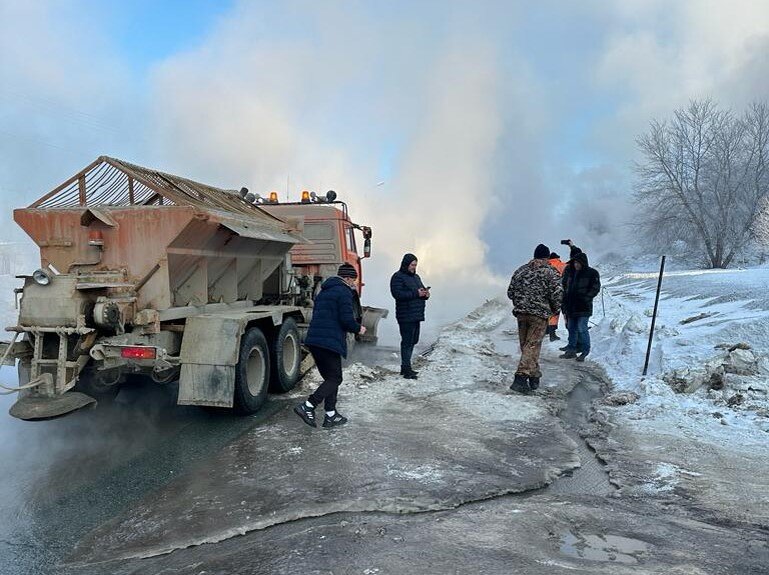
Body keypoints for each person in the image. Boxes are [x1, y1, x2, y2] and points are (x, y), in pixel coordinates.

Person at [294, 263, 366, 428]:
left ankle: (331, 414)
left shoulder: (323, 291)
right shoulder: (344, 292)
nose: (354, 284)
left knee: (330, 378)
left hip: (315, 341)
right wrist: (358, 328)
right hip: (329, 342)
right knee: (335, 378)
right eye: (353, 280)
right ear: (347, 278)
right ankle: (308, 406)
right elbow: (346, 319)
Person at [507, 244, 563, 393]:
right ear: (547, 257)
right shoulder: (550, 272)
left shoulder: (521, 270)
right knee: (531, 346)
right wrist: (554, 310)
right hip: (539, 315)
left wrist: (520, 303)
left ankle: (534, 375)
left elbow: (510, 292)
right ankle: (520, 378)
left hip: (521, 314)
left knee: (527, 345)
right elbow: (557, 295)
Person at [390, 253, 429, 379]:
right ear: (406, 264)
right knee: (407, 341)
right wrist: (416, 293)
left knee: (414, 340)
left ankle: (405, 367)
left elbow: (421, 290)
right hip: (405, 314)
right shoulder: (397, 277)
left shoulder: (416, 277)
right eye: (412, 265)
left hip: (416, 314)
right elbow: (397, 294)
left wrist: (426, 294)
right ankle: (407, 369)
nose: (414, 267)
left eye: (415, 265)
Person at [560, 250, 601, 362]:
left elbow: (595, 288)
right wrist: (564, 303)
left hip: (583, 307)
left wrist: (586, 298)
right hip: (571, 306)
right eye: (574, 263)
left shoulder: (592, 273)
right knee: (571, 328)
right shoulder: (571, 274)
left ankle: (585, 350)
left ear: (583, 262)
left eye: (578, 263)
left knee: (582, 328)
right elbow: (566, 289)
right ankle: (571, 350)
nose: (576, 265)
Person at [546, 252, 566, 341]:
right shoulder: (562, 265)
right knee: (566, 313)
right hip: (562, 292)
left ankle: (551, 333)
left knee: (552, 314)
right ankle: (573, 333)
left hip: (549, 293)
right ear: (558, 258)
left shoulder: (546, 265)